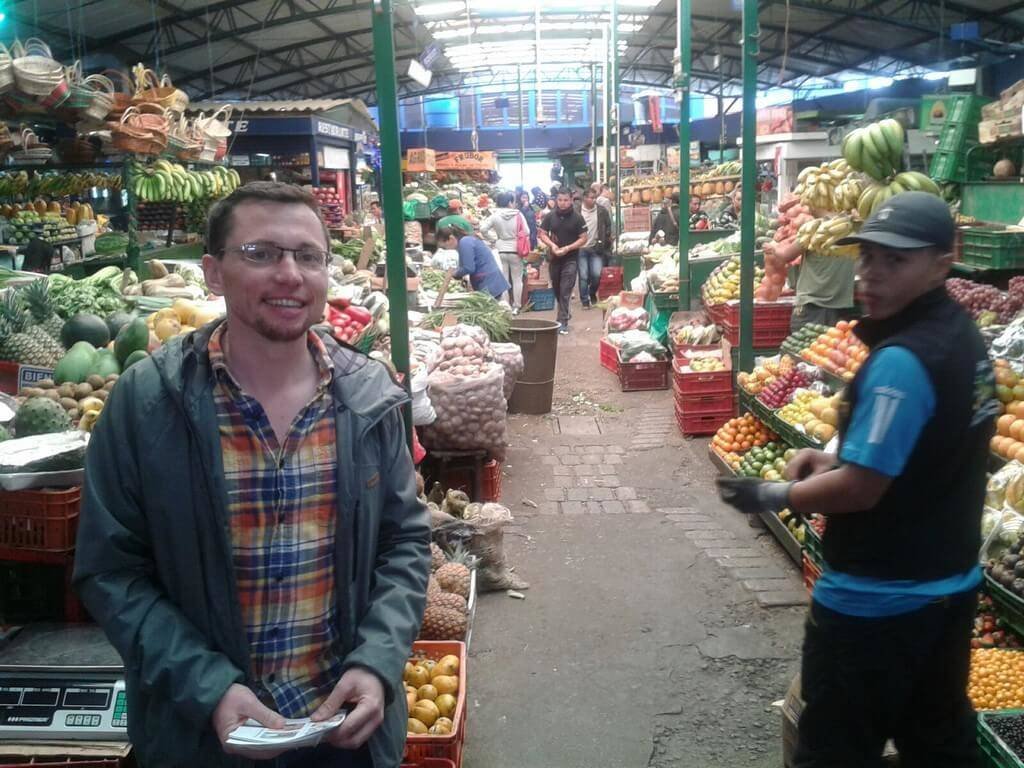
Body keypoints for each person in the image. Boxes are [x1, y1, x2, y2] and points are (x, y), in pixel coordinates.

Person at [73, 182, 431, 768]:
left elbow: (406, 542)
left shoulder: (370, 396)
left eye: (308, 255)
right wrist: (208, 687)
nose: (289, 274)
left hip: (344, 737)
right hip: (201, 738)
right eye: (260, 253)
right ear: (213, 273)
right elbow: (111, 572)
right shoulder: (145, 404)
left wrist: (377, 661)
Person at [717, 192, 999, 768]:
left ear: (944, 261)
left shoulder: (902, 359)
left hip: (879, 601)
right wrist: (833, 464)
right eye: (867, 257)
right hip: (949, 589)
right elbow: (927, 454)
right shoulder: (966, 342)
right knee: (939, 744)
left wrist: (773, 493)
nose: (871, 275)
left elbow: (862, 490)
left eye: (895, 261)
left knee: (835, 750)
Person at [767, 237, 856, 333]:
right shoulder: (852, 231)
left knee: (807, 345)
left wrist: (773, 247)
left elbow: (786, 255)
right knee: (832, 345)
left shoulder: (814, 231)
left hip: (811, 305)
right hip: (839, 305)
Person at [539, 187, 588, 334]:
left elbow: (584, 238)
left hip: (571, 258)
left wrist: (568, 248)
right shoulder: (550, 216)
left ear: (571, 200)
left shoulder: (577, 218)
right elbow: (542, 234)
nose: (562, 203)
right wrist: (552, 245)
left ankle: (563, 321)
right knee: (556, 289)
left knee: (565, 290)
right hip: (554, 258)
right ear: (556, 200)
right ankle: (564, 312)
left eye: (566, 200)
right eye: (560, 200)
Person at [481, 191, 530, 313]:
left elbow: (483, 229)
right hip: (515, 249)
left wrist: (493, 239)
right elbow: (527, 231)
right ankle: (516, 306)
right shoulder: (518, 215)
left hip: (500, 249)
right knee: (517, 279)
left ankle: (505, 306)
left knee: (503, 279)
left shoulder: (494, 215)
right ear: (509, 202)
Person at [436, 224, 511, 300]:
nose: (446, 248)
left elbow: (468, 268)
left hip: (489, 283)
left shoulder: (465, 242)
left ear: (451, 239)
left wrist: (454, 273)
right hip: (489, 281)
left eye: (445, 246)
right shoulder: (465, 242)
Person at [576, 187, 613, 309]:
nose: (594, 200)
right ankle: (585, 301)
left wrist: (605, 238)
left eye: (595, 198)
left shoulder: (601, 211)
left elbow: (608, 225)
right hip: (580, 248)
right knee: (584, 276)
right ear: (584, 198)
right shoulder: (577, 211)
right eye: (591, 198)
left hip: (596, 248)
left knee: (597, 274)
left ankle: (592, 293)